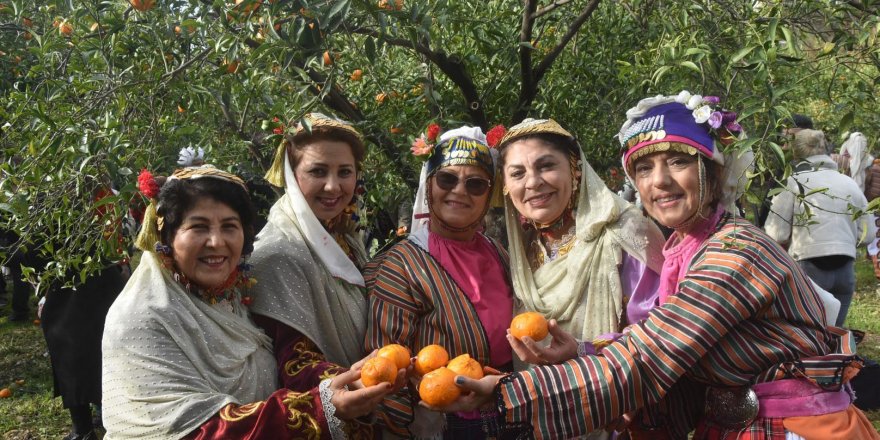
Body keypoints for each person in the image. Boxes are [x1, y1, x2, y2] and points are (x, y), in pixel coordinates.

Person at [443, 91, 879, 440]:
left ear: (712, 168)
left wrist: (507, 396)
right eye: (644, 168)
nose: (659, 182)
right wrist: (580, 350)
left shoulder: (737, 252)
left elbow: (652, 354)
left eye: (678, 161)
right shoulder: (686, 248)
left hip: (793, 429)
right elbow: (668, 345)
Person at [102, 164, 392, 439]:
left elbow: (284, 363)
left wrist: (350, 380)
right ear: (166, 235)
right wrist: (321, 407)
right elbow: (194, 431)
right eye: (199, 227)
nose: (216, 242)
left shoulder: (230, 296)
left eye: (229, 226)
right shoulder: (142, 319)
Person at [364, 125, 514, 439]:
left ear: (489, 195)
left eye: (475, 184)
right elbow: (384, 371)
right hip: (444, 426)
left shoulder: (498, 252)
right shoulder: (401, 265)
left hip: (512, 411)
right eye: (447, 179)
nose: (459, 191)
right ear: (429, 185)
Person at [247, 113, 370, 370]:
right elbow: (296, 365)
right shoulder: (278, 254)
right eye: (318, 171)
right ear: (292, 175)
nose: (333, 187)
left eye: (345, 172)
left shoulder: (343, 234)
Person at [765, 129, 875, 327]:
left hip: (809, 267)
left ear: (796, 154)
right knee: (834, 334)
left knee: (809, 335)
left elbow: (776, 233)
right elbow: (868, 235)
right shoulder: (849, 183)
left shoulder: (793, 182)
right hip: (845, 269)